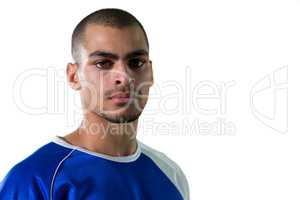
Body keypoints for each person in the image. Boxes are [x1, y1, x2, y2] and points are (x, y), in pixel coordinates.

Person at [0, 8, 190, 200]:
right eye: (103, 63)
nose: (124, 77)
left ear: (150, 73)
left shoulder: (171, 175)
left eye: (136, 62)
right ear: (74, 76)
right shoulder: (36, 180)